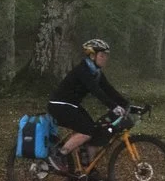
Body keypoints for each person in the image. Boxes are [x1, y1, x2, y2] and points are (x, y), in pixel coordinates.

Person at [47, 37, 132, 171]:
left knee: (94, 130)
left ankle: (88, 167)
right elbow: (96, 91)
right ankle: (58, 155)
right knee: (86, 132)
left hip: (72, 105)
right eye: (102, 55)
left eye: (106, 56)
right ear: (92, 55)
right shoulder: (83, 70)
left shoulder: (96, 72)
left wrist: (127, 104)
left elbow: (109, 90)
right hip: (59, 105)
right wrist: (114, 106)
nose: (105, 58)